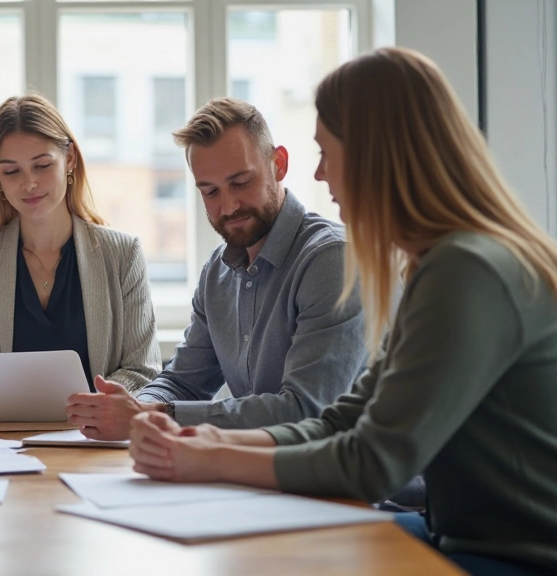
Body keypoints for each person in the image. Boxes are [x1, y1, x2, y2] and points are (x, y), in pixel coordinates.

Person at [129, 47, 557, 576]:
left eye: (326, 151)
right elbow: (343, 419)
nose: (319, 172)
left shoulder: (468, 270)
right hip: (452, 533)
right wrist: (209, 438)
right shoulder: (437, 264)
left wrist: (212, 456)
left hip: (508, 557)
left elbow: (372, 462)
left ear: (379, 154)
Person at [66, 97, 367, 441]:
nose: (229, 206)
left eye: (240, 183)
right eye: (210, 191)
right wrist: (131, 407)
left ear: (278, 164)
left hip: (350, 489)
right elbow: (182, 382)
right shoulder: (217, 273)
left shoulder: (332, 260)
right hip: (265, 476)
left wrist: (151, 415)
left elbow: (305, 410)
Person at [0, 94, 161, 404]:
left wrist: (76, 408)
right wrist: (39, 405)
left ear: (69, 159)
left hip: (94, 438)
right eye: (11, 171)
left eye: (42, 165)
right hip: (2, 444)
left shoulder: (123, 254)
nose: (29, 184)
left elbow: (143, 372)